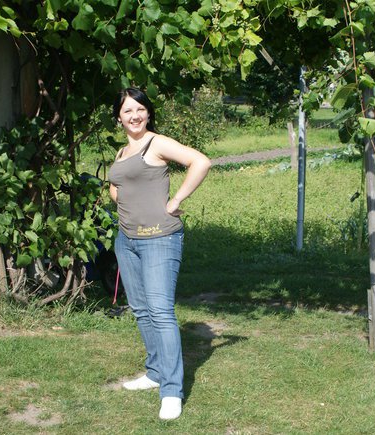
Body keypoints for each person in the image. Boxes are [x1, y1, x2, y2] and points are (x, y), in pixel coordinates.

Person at [108, 87, 211, 420]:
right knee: (141, 310)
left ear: (148, 113)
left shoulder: (156, 143)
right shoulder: (122, 151)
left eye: (140, 109)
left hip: (159, 239)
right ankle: (155, 372)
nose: (134, 115)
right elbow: (116, 187)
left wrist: (176, 200)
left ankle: (171, 391)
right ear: (119, 117)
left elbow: (201, 161)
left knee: (161, 312)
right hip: (127, 240)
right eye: (127, 111)